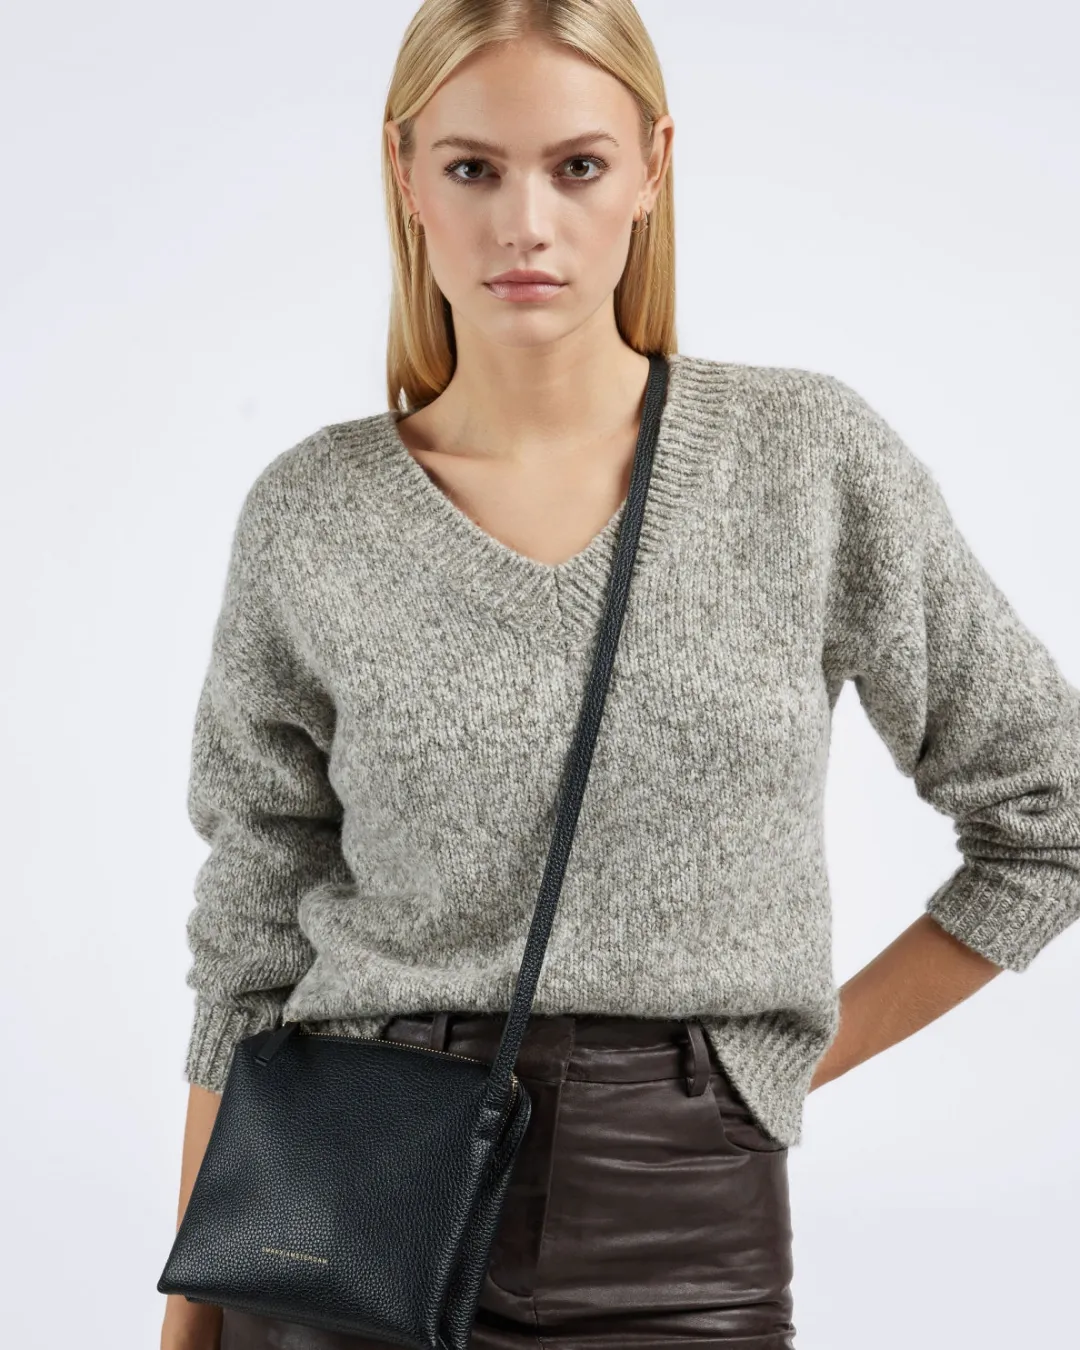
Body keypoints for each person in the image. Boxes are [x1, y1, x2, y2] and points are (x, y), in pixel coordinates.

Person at [160, 4, 1080, 1349]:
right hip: (350, 1201)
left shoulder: (805, 462)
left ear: (653, 166)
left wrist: (768, 1066)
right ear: (405, 174)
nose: (525, 223)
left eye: (577, 166)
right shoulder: (313, 513)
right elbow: (248, 939)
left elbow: (1051, 818)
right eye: (473, 168)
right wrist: (192, 1308)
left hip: (683, 1218)